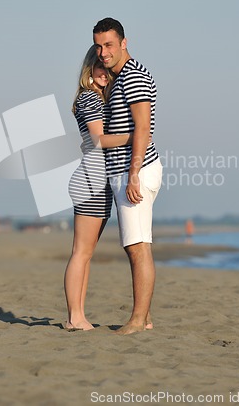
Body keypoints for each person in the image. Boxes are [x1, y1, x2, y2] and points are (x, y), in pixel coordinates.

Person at [93, 17, 163, 335]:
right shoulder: (118, 78)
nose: (103, 51)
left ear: (124, 42)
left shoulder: (133, 76)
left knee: (138, 246)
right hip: (126, 171)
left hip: (135, 171)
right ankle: (143, 317)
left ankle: (137, 320)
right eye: (98, 45)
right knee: (135, 245)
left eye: (109, 44)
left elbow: (143, 130)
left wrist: (133, 174)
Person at [65, 46, 135, 331]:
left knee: (86, 254)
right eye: (98, 69)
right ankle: (74, 317)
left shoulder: (97, 99)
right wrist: (135, 136)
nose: (104, 74)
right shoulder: (89, 99)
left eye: (107, 70)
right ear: (89, 70)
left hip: (98, 182)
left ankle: (78, 315)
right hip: (91, 182)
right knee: (80, 253)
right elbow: (98, 140)